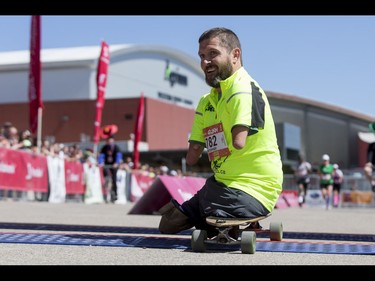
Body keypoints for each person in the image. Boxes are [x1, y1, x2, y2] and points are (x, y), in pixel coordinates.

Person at [158, 27, 283, 237]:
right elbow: (192, 157)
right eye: (202, 56)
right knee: (168, 224)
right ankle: (214, 214)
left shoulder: (243, 89)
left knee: (210, 211)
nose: (205, 62)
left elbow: (239, 141)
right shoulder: (207, 101)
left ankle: (219, 218)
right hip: (222, 184)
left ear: (235, 55)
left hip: (254, 189)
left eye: (213, 54)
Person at [363, 122, 375, 192]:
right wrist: (369, 162)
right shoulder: (372, 145)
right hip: (373, 166)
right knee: (367, 169)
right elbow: (369, 155)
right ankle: (373, 183)